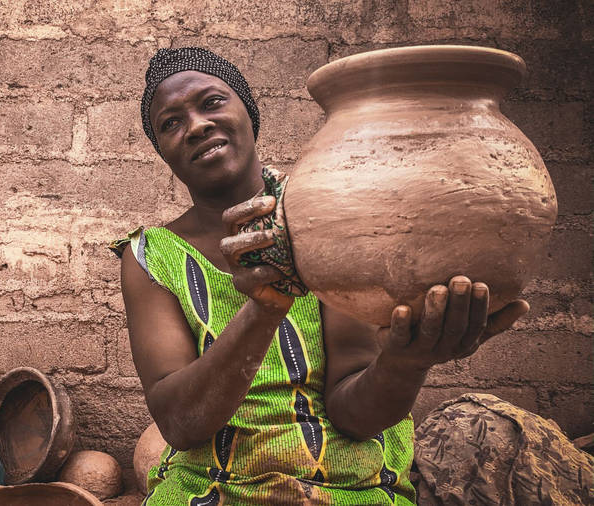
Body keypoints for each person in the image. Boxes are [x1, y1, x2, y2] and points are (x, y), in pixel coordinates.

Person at [110, 47, 539, 505]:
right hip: (212, 490)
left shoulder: (332, 223)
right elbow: (180, 425)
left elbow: (353, 413)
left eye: (212, 102)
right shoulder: (149, 257)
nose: (195, 125)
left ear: (249, 112)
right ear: (162, 152)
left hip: (351, 489)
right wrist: (264, 309)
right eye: (170, 123)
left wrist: (404, 363)